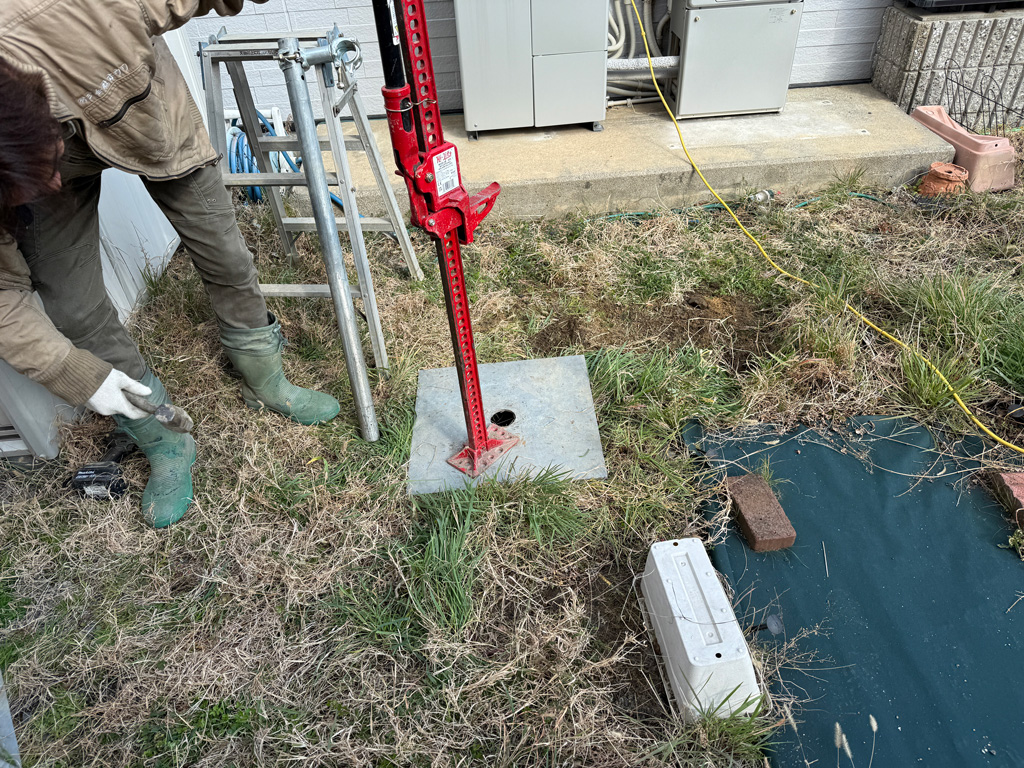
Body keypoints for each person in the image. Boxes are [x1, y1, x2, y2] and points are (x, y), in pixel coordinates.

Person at [0, 0, 340, 528]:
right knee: (71, 306)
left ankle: (264, 378)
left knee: (224, 253)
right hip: (29, 154)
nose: (47, 185)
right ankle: (163, 436)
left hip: (150, 122)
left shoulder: (82, 10)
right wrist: (79, 375)